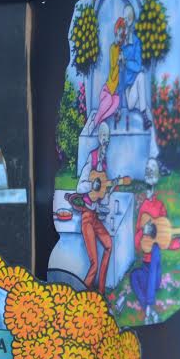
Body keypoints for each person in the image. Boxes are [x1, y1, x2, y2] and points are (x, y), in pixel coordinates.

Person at [130, 159, 180, 324]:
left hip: (155, 268)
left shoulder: (160, 206)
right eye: (147, 169)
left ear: (157, 175)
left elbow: (165, 238)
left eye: (153, 169)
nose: (150, 172)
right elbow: (137, 240)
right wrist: (143, 232)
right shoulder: (142, 206)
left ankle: (148, 307)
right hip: (145, 265)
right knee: (134, 276)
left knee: (156, 250)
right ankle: (149, 308)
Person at [66, 122, 113, 294]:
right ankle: (82, 294)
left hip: (96, 216)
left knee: (109, 245)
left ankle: (100, 291)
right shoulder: (92, 158)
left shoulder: (104, 164)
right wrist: (93, 184)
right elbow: (80, 187)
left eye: (108, 137)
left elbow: (100, 192)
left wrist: (104, 197)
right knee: (94, 261)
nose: (105, 140)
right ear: (99, 138)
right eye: (103, 136)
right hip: (87, 215)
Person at [118, 5, 152, 130]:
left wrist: (126, 62)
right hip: (129, 93)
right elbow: (120, 74)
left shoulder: (136, 42)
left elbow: (138, 66)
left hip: (137, 89)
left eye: (128, 19)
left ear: (131, 22)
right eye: (124, 19)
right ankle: (144, 114)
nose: (125, 22)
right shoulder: (121, 44)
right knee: (141, 76)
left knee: (141, 75)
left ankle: (144, 115)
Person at [95, 18, 126, 129]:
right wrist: (119, 60)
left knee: (115, 104)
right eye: (118, 34)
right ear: (115, 32)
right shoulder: (113, 48)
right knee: (107, 102)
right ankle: (96, 123)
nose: (119, 38)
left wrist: (123, 61)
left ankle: (101, 122)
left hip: (116, 91)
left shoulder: (123, 49)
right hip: (108, 88)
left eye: (121, 36)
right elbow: (113, 68)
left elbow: (123, 72)